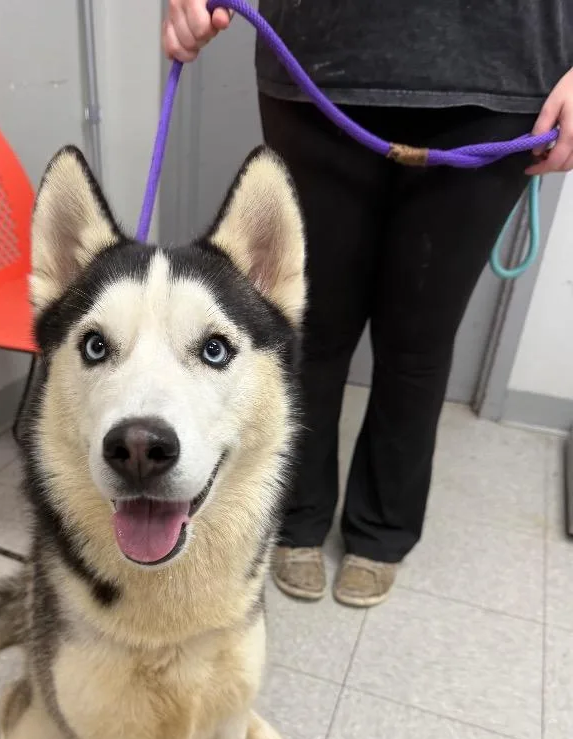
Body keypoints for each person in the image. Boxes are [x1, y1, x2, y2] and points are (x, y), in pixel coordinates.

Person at [163, 0, 573, 607]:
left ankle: (382, 531)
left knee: (420, 342)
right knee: (311, 332)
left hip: (501, 81)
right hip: (315, 67)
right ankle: (298, 515)